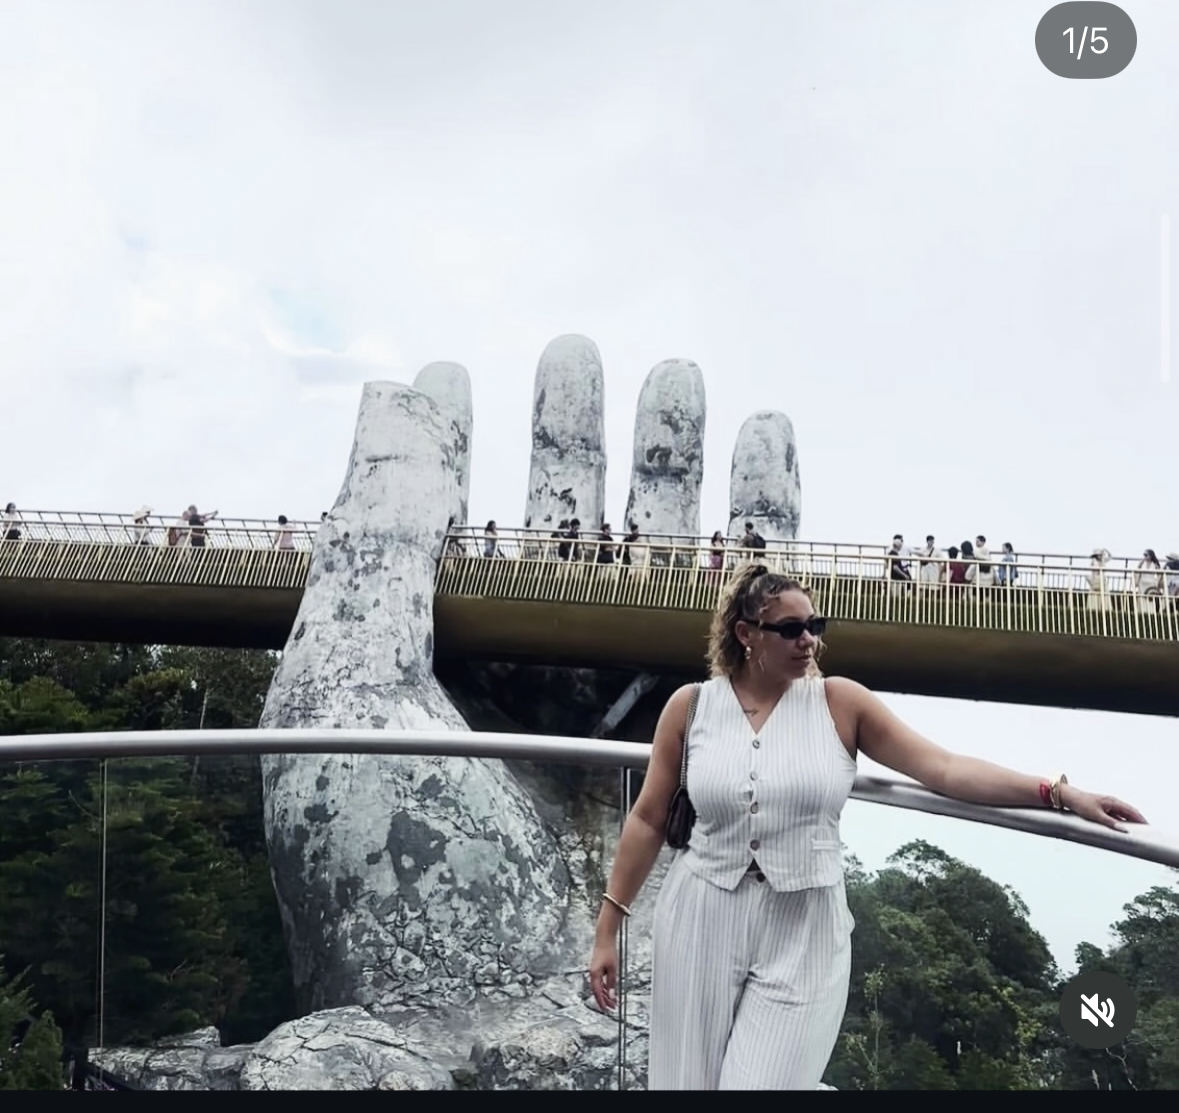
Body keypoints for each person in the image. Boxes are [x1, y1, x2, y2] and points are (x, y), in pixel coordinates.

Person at [587, 563, 1146, 1090]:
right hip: (700, 919)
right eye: (791, 629)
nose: (809, 640)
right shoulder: (691, 707)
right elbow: (648, 817)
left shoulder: (840, 703)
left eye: (814, 626)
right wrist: (608, 930)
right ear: (745, 633)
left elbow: (943, 768)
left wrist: (1057, 792)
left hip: (803, 933)